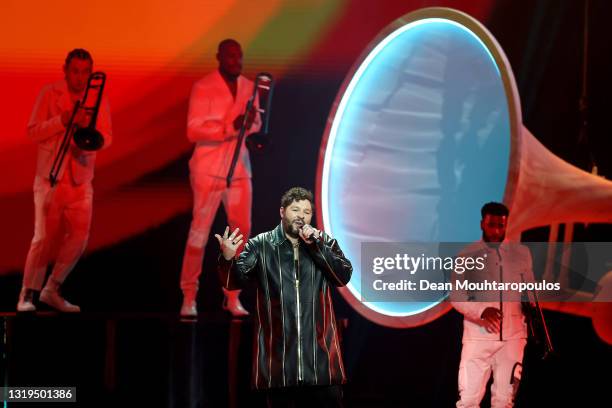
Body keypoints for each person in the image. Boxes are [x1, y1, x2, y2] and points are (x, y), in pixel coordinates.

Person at [216, 187, 352, 407]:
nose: (301, 215)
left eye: (307, 212)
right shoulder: (260, 245)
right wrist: (228, 259)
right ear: (282, 212)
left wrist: (317, 247)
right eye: (295, 209)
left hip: (322, 365)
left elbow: (343, 276)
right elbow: (233, 282)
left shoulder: (323, 241)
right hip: (278, 368)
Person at [16, 48, 112, 313]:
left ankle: (52, 288)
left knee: (79, 238)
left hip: (81, 180)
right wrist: (62, 121)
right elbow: (33, 131)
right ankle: (27, 294)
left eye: (85, 72)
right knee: (42, 238)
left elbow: (107, 137)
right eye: (75, 71)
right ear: (65, 70)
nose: (80, 78)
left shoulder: (99, 100)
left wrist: (90, 142)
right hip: (50, 177)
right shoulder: (49, 93)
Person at [180, 38, 261, 317]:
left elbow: (256, 124)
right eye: (230, 56)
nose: (236, 61)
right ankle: (189, 295)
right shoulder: (203, 87)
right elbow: (193, 130)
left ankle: (232, 295)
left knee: (242, 232)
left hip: (239, 170)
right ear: (219, 57)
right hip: (208, 169)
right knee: (200, 234)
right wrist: (230, 126)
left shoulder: (251, 87)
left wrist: (249, 125)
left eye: (239, 56)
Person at [451, 202, 535, 408]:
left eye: (501, 225)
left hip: (513, 338)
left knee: (504, 401)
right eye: (492, 225)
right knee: (469, 400)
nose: (497, 231)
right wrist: (481, 310)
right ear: (482, 224)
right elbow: (456, 295)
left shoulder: (521, 253)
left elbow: (531, 291)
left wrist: (530, 303)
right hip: (478, 337)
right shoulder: (466, 254)